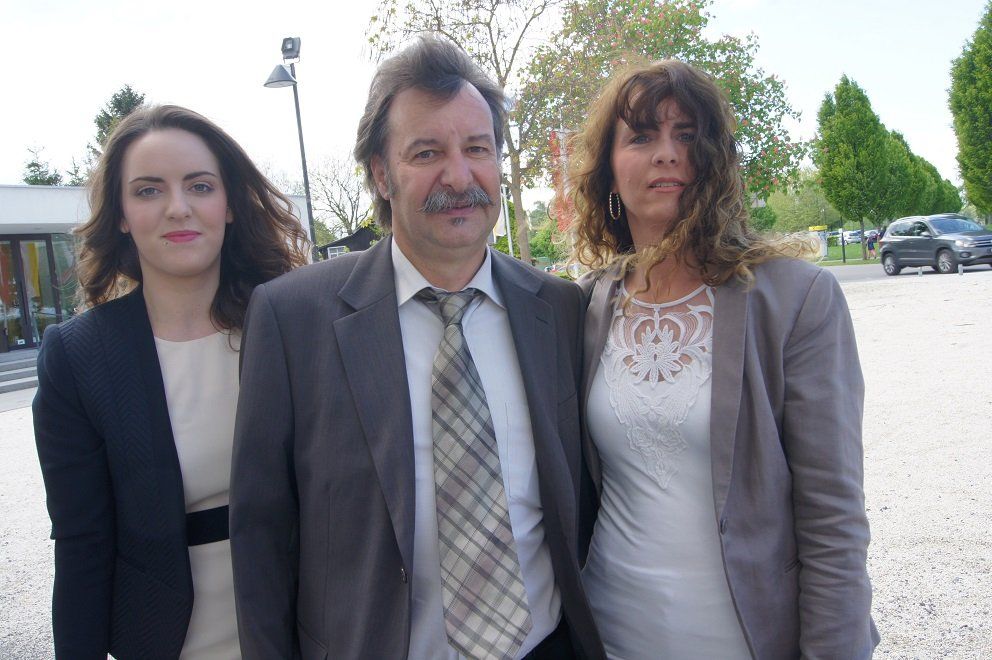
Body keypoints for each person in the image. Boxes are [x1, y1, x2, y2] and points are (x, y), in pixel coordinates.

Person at [229, 36, 605, 660]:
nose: (458, 176)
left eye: (477, 149)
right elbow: (262, 536)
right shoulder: (292, 319)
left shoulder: (560, 309)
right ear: (382, 173)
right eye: (426, 152)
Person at [567, 60, 878, 659]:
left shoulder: (796, 299)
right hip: (609, 634)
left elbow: (833, 518)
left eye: (687, 135)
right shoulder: (584, 306)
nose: (667, 153)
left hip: (746, 640)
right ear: (608, 170)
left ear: (716, 159)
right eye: (642, 136)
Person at [32, 105, 309, 659]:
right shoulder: (79, 357)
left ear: (230, 204)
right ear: (121, 214)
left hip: (307, 633)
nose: (178, 208)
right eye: (149, 190)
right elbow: (82, 544)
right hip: (168, 643)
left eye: (200, 186)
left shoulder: (299, 324)